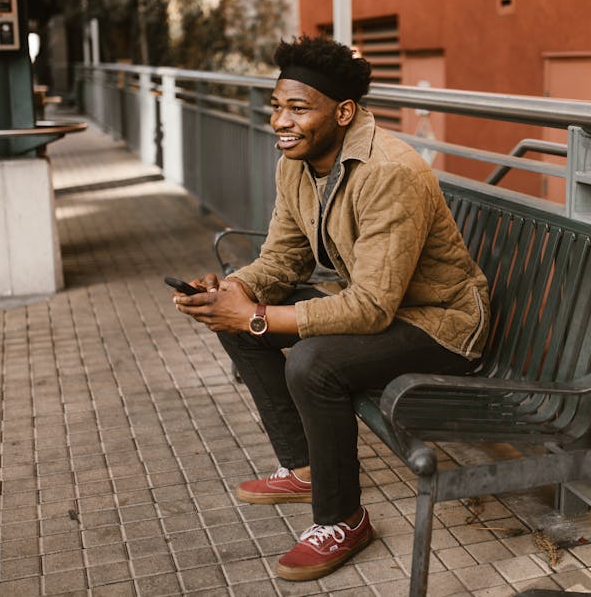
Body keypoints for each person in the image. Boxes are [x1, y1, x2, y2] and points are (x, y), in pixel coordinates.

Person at [173, 35, 490, 582]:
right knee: (241, 316)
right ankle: (306, 468)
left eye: (298, 108)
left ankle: (343, 518)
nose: (280, 121)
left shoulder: (390, 172)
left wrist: (258, 316)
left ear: (343, 113)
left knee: (312, 361)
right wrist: (233, 290)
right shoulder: (297, 164)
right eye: (277, 106)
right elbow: (282, 258)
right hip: (388, 312)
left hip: (442, 326)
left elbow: (369, 307)